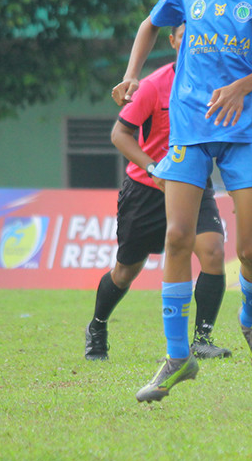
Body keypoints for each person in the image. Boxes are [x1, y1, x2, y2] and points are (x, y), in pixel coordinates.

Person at [110, 0, 252, 402]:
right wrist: (132, 74)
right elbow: (150, 25)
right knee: (176, 236)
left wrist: (240, 87)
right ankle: (178, 357)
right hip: (189, 128)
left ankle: (251, 321)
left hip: (244, 131)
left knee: (251, 250)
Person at [84, 24, 232, 363]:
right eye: (185, 35)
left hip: (194, 185)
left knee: (212, 252)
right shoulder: (153, 85)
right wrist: (154, 169)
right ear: (173, 41)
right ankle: (97, 326)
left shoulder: (215, 84)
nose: (193, 41)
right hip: (147, 190)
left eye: (199, 35)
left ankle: (202, 339)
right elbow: (120, 135)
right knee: (125, 272)